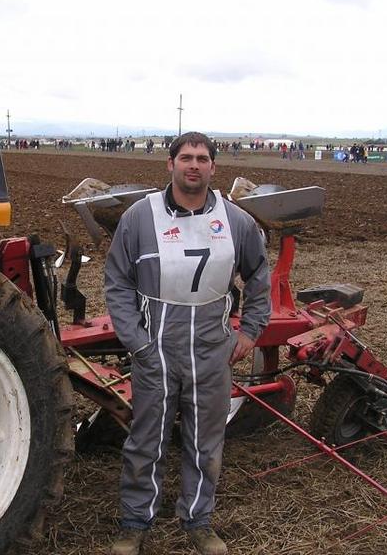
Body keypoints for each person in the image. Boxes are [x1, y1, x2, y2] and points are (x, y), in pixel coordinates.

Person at [105, 132, 271, 555]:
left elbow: (258, 278)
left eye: (201, 158)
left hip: (211, 347)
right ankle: (134, 524)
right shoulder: (140, 217)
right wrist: (138, 343)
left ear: (213, 167)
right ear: (170, 165)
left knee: (206, 441)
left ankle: (198, 521)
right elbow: (117, 283)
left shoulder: (236, 221)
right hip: (156, 346)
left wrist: (250, 330)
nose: (193, 165)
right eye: (185, 158)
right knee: (146, 440)